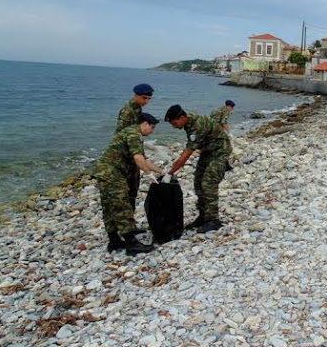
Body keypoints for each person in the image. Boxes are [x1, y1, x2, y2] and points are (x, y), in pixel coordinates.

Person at [96, 113, 164, 255]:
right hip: (113, 174)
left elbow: (144, 160)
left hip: (105, 172)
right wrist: (148, 174)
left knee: (109, 206)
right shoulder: (134, 135)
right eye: (152, 127)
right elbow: (138, 158)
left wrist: (162, 171)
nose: (152, 131)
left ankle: (114, 240)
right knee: (121, 206)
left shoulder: (130, 132)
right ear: (144, 124)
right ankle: (131, 244)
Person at [163, 105, 232, 233]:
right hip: (207, 151)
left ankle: (213, 220)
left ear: (182, 117)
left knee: (209, 183)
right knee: (198, 182)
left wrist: (170, 172)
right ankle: (203, 216)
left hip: (220, 151)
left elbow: (186, 155)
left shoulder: (196, 125)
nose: (173, 126)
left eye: (174, 123)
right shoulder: (188, 122)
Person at [116, 83, 155, 211]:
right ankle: (126, 224)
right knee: (126, 191)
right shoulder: (127, 112)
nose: (147, 101)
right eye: (144, 98)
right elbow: (122, 135)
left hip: (133, 151)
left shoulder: (137, 108)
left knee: (133, 189)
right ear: (136, 95)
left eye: (149, 99)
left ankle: (130, 221)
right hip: (126, 155)